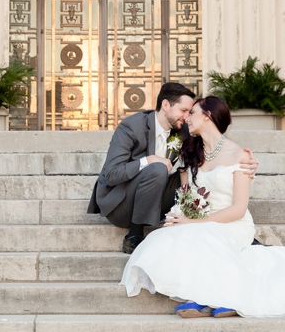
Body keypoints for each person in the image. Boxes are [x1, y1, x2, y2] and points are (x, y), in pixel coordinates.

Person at [121, 95, 285, 318]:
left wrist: (193, 223)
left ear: (208, 116)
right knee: (173, 236)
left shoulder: (240, 156)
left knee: (198, 235)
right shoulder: (191, 153)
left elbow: (239, 209)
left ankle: (212, 298)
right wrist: (180, 216)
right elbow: (186, 195)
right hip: (201, 221)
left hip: (232, 223)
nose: (187, 117)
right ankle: (209, 295)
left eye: (193, 113)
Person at [88, 83, 257, 254]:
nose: (187, 117)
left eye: (190, 112)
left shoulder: (185, 129)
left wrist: (243, 164)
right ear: (166, 105)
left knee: (192, 174)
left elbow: (215, 145)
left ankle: (234, 231)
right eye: (184, 110)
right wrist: (148, 160)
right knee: (158, 168)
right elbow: (111, 175)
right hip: (122, 202)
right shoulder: (131, 127)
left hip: (156, 196)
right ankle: (134, 235)